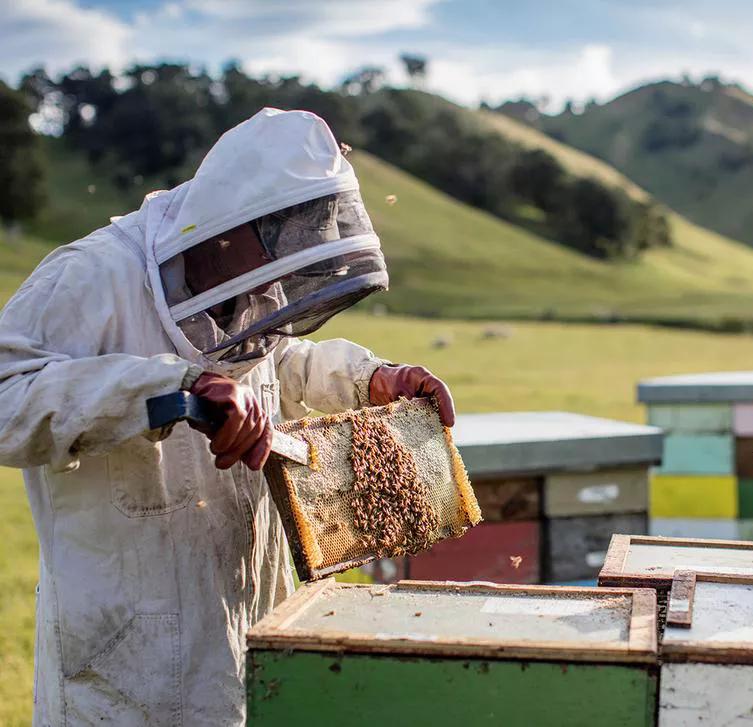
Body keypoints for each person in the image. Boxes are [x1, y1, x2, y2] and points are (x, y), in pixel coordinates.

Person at [0, 108, 455, 726]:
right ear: (233, 221)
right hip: (123, 664)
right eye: (284, 237)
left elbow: (277, 361)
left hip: (245, 624)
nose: (289, 263)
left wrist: (367, 379)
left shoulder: (254, 288)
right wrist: (169, 389)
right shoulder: (92, 275)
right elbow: (7, 397)